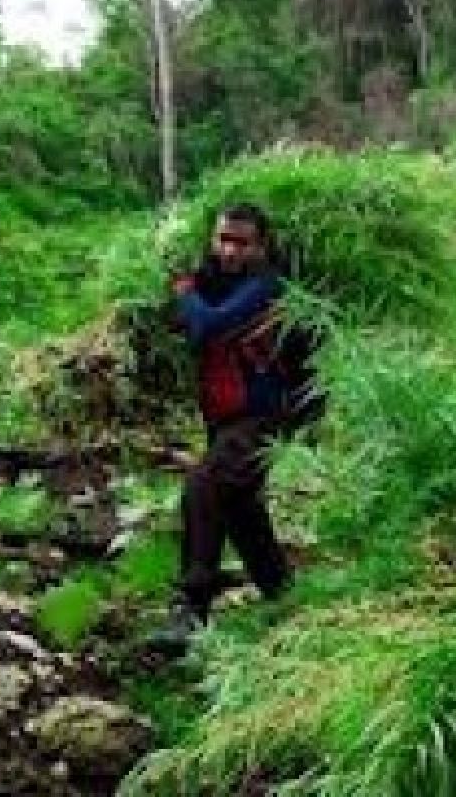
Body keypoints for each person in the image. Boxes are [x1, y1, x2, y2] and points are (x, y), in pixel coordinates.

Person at [149, 203, 324, 652]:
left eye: (242, 243)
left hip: (265, 418)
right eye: (223, 240)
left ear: (262, 247)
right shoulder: (214, 281)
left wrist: (183, 290)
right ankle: (285, 599)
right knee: (240, 508)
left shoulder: (267, 287)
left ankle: (191, 609)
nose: (230, 251)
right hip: (226, 420)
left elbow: (208, 326)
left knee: (203, 487)